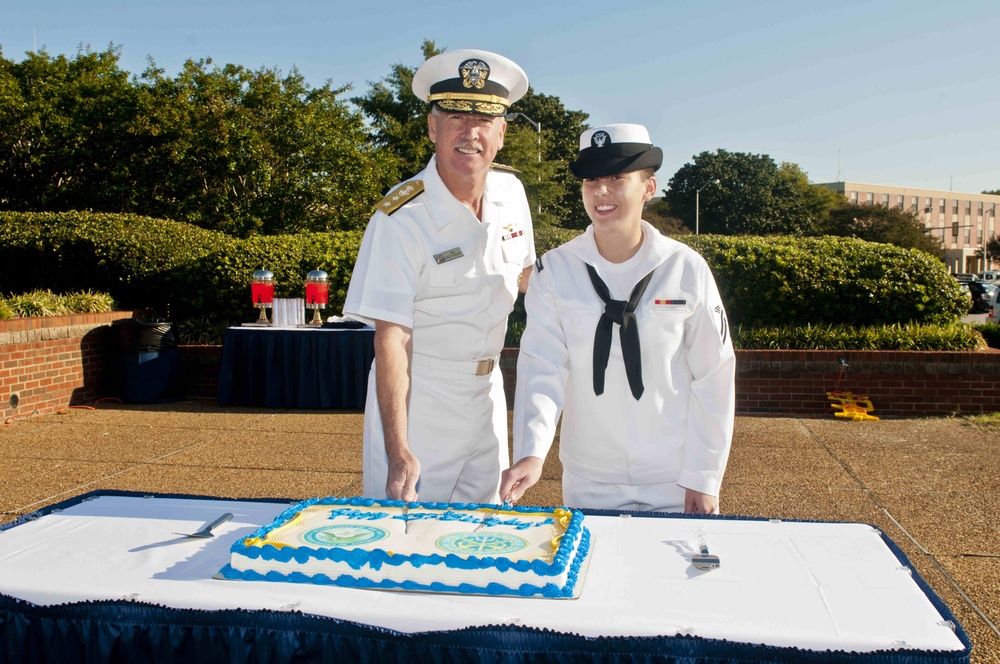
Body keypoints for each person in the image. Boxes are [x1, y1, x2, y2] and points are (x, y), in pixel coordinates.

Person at [500, 124, 735, 514]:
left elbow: (715, 376)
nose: (601, 191)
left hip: (674, 479)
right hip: (590, 479)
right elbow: (543, 368)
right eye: (591, 179)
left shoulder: (686, 269)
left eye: (616, 178)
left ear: (648, 188)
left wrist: (704, 475)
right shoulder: (555, 271)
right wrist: (532, 452)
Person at [343, 50, 535, 504]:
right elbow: (391, 338)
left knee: (484, 540)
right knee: (404, 544)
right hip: (422, 401)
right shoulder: (401, 216)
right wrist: (400, 450)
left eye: (484, 120)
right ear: (432, 127)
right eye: (455, 117)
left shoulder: (511, 193)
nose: (471, 132)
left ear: (501, 133)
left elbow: (528, 279)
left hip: (489, 396)